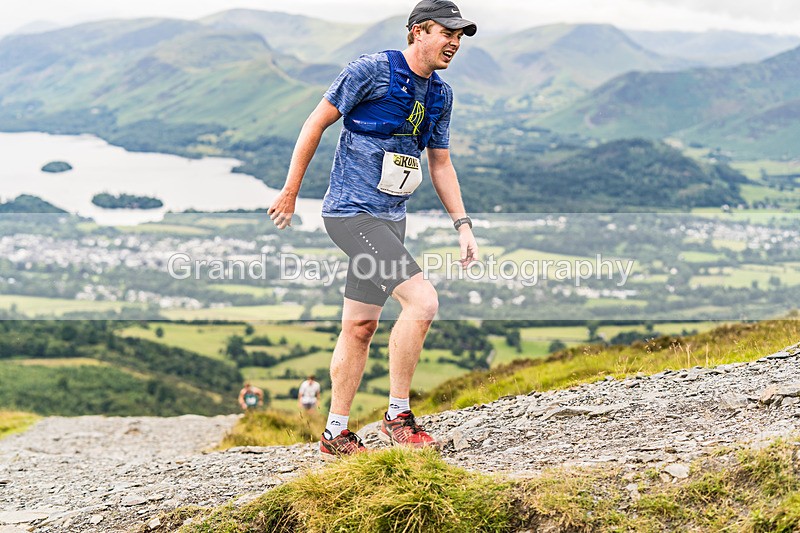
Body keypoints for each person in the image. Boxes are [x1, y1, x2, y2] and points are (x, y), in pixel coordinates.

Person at [268, 0, 478, 459]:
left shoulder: (441, 95)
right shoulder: (372, 70)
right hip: (351, 214)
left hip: (391, 219)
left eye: (459, 36)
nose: (455, 43)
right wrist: (290, 191)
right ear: (419, 31)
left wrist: (462, 224)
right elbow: (315, 122)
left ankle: (335, 435)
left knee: (361, 326)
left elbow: (440, 163)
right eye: (447, 33)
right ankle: (397, 417)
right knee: (423, 301)